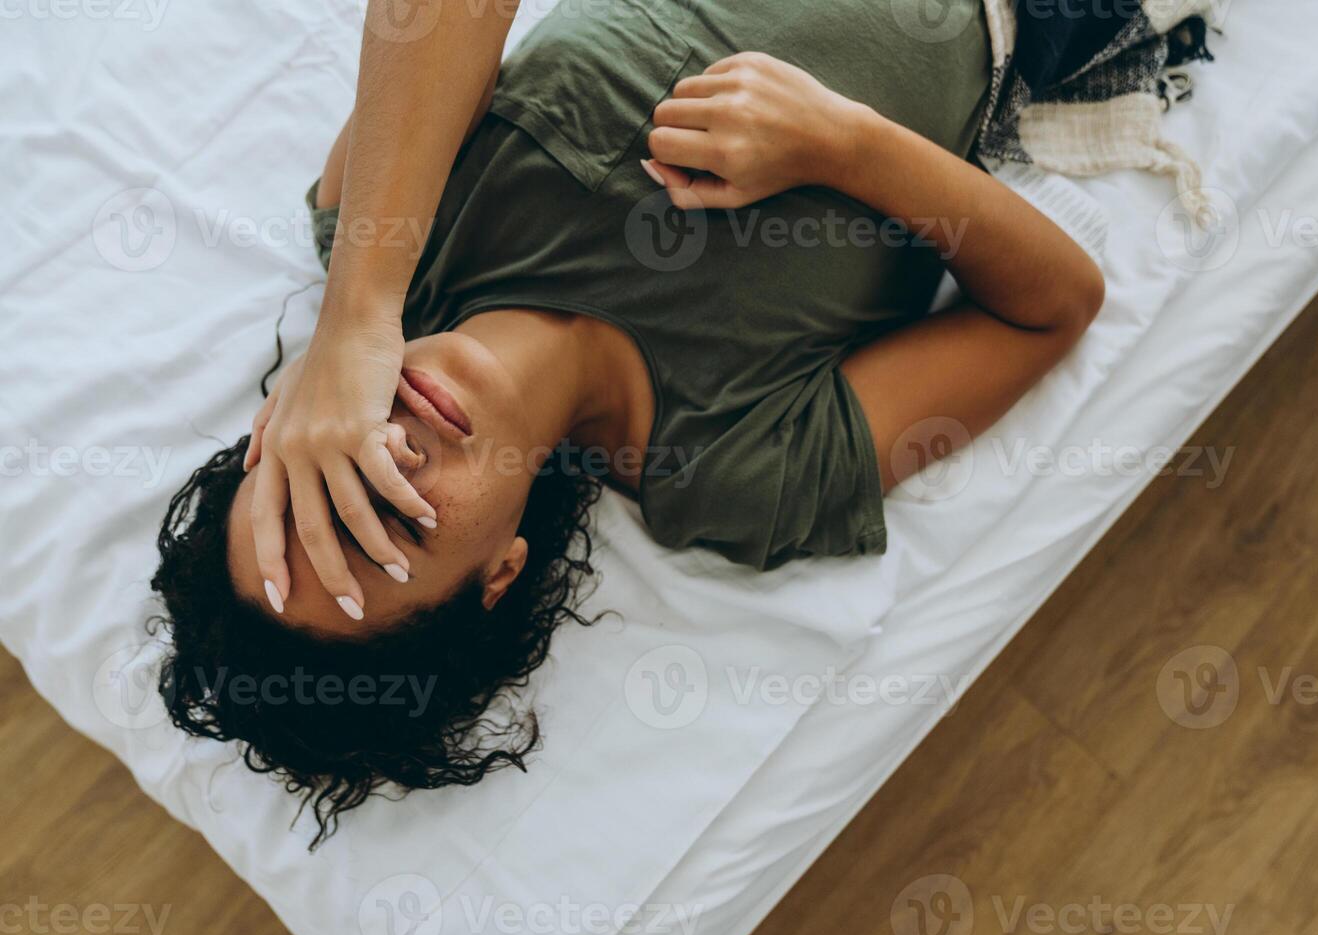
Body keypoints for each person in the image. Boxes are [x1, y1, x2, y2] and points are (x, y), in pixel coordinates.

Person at [152, 0, 1103, 847]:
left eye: (320, 471)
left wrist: (356, 311)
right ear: (501, 574)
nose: (387, 445)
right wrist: (845, 147)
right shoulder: (730, 467)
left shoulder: (385, 235)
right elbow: (1052, 304)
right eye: (396, 516)